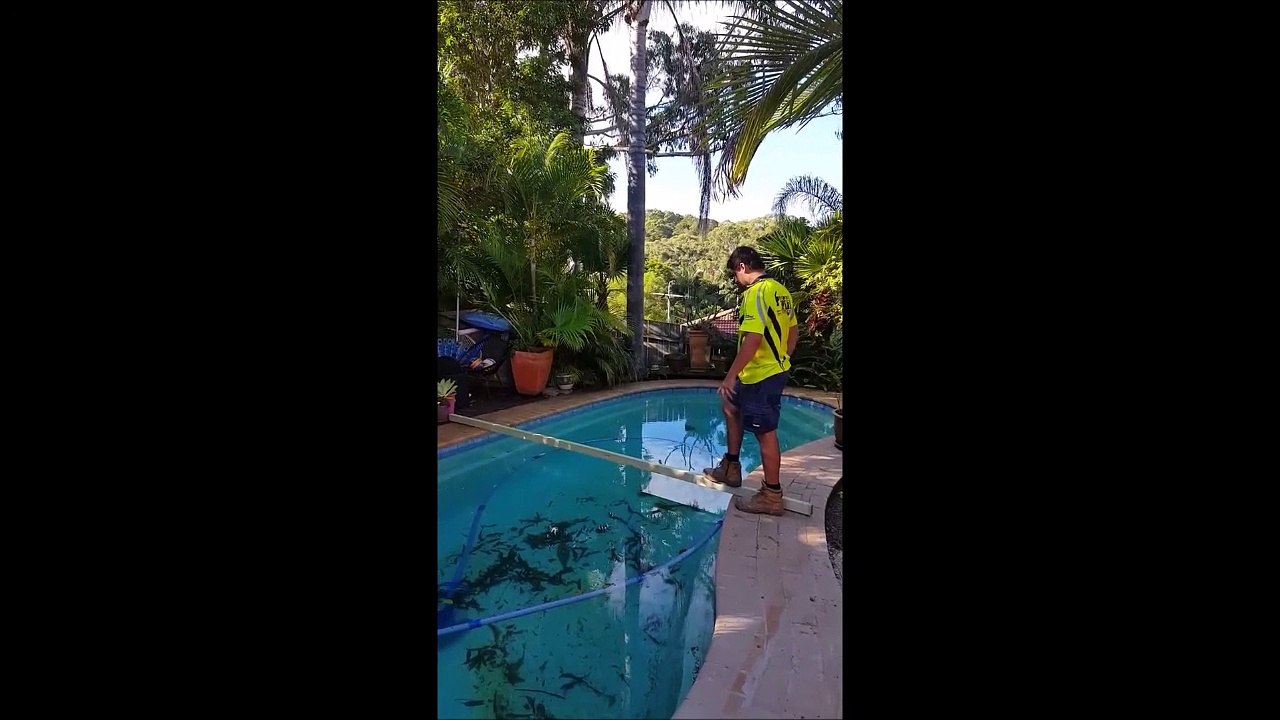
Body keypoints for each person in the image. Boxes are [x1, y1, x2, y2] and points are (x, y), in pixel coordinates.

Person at [703, 246, 799, 516]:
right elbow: (793, 332)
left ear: (743, 267)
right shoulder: (781, 291)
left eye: (735, 273)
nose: (736, 279)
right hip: (762, 371)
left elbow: (754, 339)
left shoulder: (755, 293)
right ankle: (731, 467)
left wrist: (730, 375)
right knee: (730, 408)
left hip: (760, 375)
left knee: (764, 432)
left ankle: (771, 494)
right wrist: (783, 359)